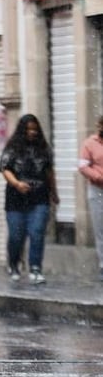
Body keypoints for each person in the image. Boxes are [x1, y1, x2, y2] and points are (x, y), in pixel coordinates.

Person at [0, 114, 60, 284]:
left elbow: (49, 172)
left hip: (39, 197)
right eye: (28, 129)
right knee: (16, 236)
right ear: (22, 130)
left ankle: (35, 268)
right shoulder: (12, 148)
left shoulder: (44, 149)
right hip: (16, 199)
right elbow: (5, 169)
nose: (32, 132)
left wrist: (54, 192)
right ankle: (14, 264)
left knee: (37, 232)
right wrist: (17, 184)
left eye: (34, 129)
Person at [78, 115, 103, 282]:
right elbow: (82, 166)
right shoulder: (90, 143)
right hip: (98, 190)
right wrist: (98, 177)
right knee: (101, 229)